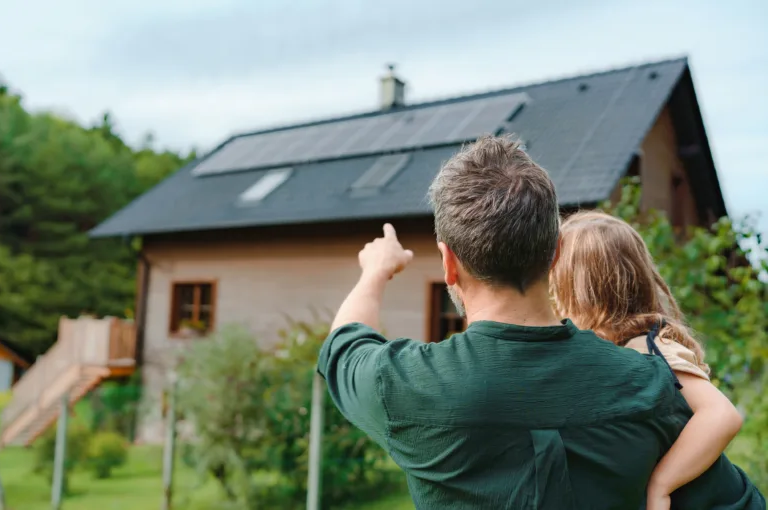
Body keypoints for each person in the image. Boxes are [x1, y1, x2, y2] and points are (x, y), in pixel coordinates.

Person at [316, 135, 765, 509]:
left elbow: (344, 343)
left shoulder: (404, 385)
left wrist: (376, 270)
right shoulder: (648, 385)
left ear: (449, 264)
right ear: (553, 255)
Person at [549, 210, 752, 510]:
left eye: (556, 284)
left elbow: (722, 415)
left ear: (580, 293)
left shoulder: (650, 348)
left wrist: (661, 484)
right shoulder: (616, 350)